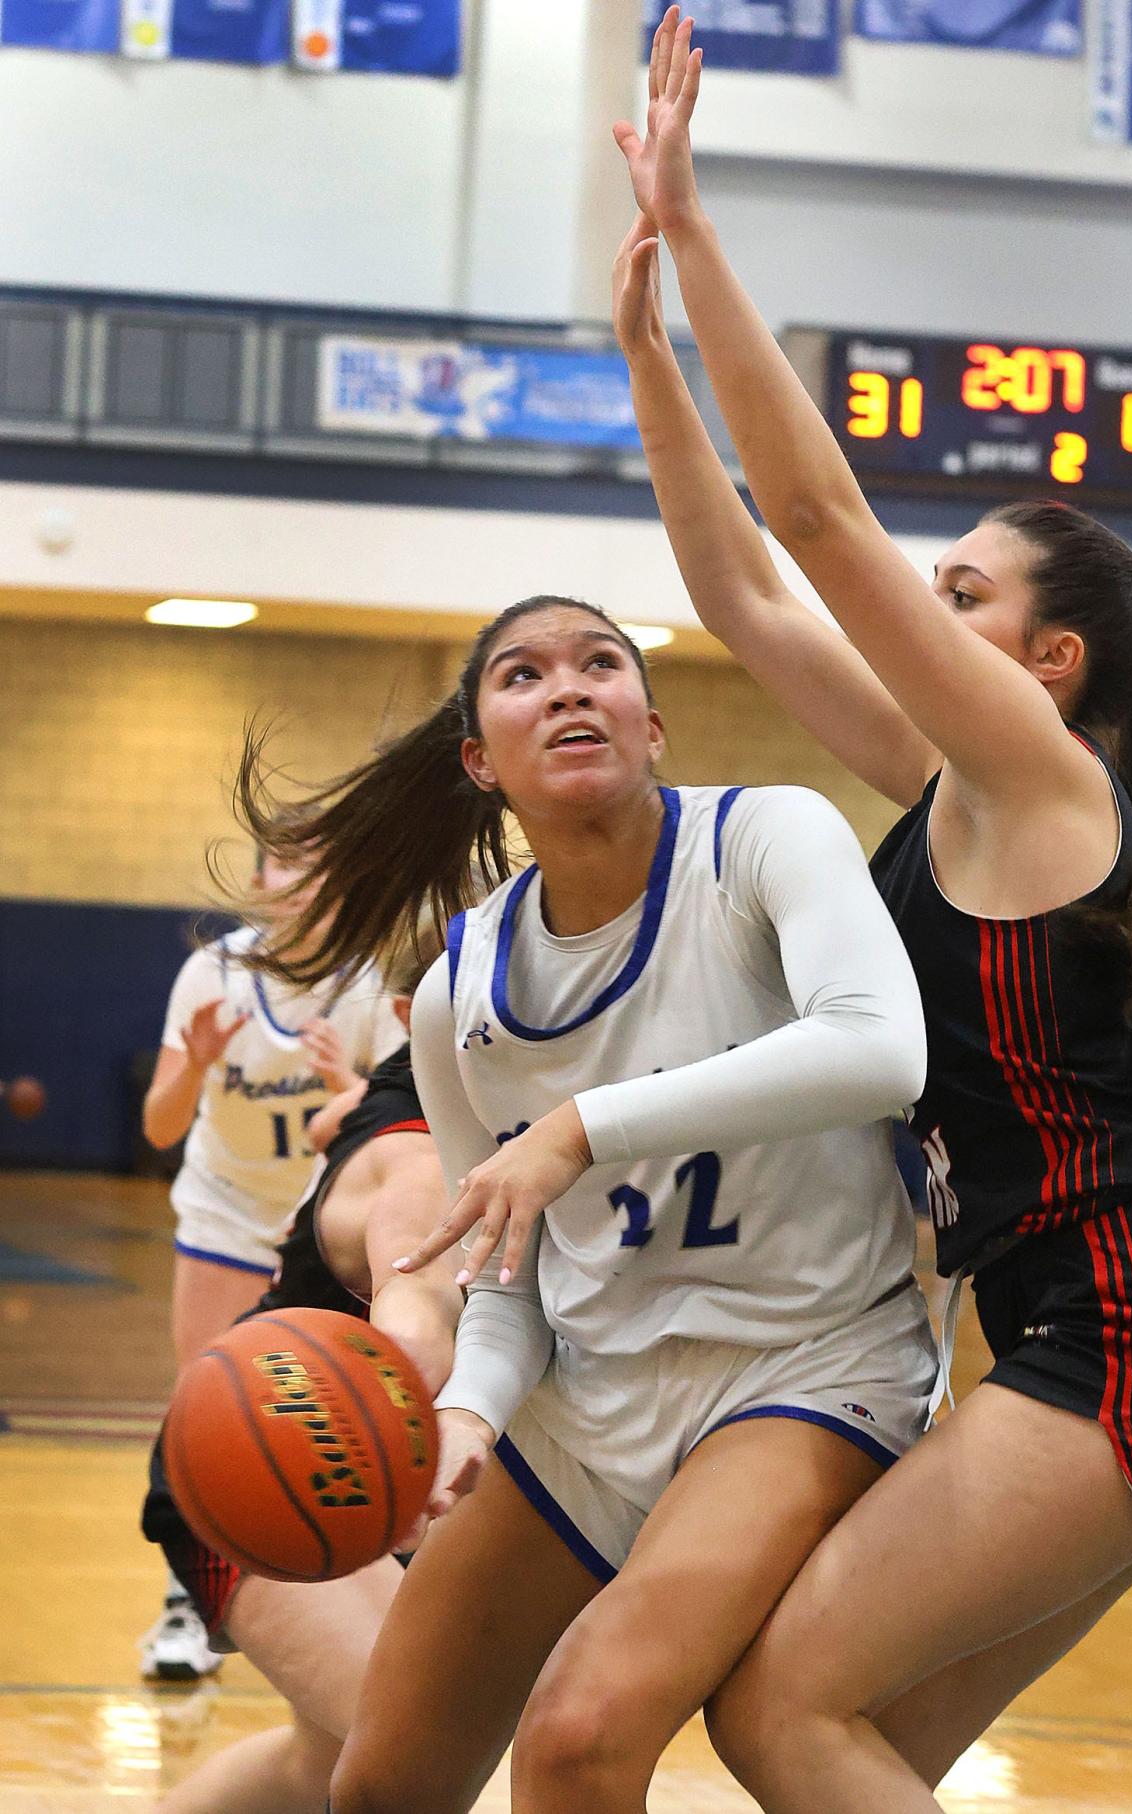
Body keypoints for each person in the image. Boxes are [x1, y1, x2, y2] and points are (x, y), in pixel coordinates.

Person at [607, 12, 1132, 1806]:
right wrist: (647, 344)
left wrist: (703, 227)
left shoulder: (1052, 790)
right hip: (1087, 1317)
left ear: (1050, 663)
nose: (915, 595)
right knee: (861, 1743)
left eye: (954, 587)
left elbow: (810, 513)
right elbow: (741, 578)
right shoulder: (958, 786)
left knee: (779, 1711)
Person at [231, 592, 935, 1814]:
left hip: (802, 1365)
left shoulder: (765, 838)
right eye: (523, 675)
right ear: (479, 760)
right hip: (591, 1390)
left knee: (577, 1734)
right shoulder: (462, 989)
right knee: (382, 1780)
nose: (567, 686)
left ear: (651, 724)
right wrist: (464, 1412)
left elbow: (881, 1051)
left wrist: (579, 1127)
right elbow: (505, 1273)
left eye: (600, 663)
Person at [143, 1014, 461, 1813]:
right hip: (281, 1457)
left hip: (419, 1483)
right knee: (412, 1751)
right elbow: (409, 1273)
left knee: (314, 1770)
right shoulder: (414, 1136)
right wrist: (412, 1364)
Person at [140, 846, 397, 1680]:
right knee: (202, 1408)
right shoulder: (212, 974)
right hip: (224, 1214)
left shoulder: (367, 974)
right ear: (259, 882)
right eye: (287, 861)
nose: (308, 876)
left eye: (325, 859)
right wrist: (201, 1064)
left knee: (350, 1409)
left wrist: (346, 1081)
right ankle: (187, 1608)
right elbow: (160, 1126)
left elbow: (393, 1114)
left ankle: (363, 1589)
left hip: (323, 1224)